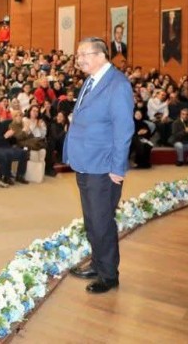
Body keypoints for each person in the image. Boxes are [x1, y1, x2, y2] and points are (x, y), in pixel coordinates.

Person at [64, 37, 134, 294]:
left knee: (102, 221)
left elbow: (124, 129)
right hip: (85, 161)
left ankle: (108, 275)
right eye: (78, 55)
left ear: (102, 55)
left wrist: (117, 168)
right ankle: (97, 262)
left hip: (103, 166)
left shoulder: (118, 85)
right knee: (92, 219)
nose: (79, 59)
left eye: (84, 54)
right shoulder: (92, 80)